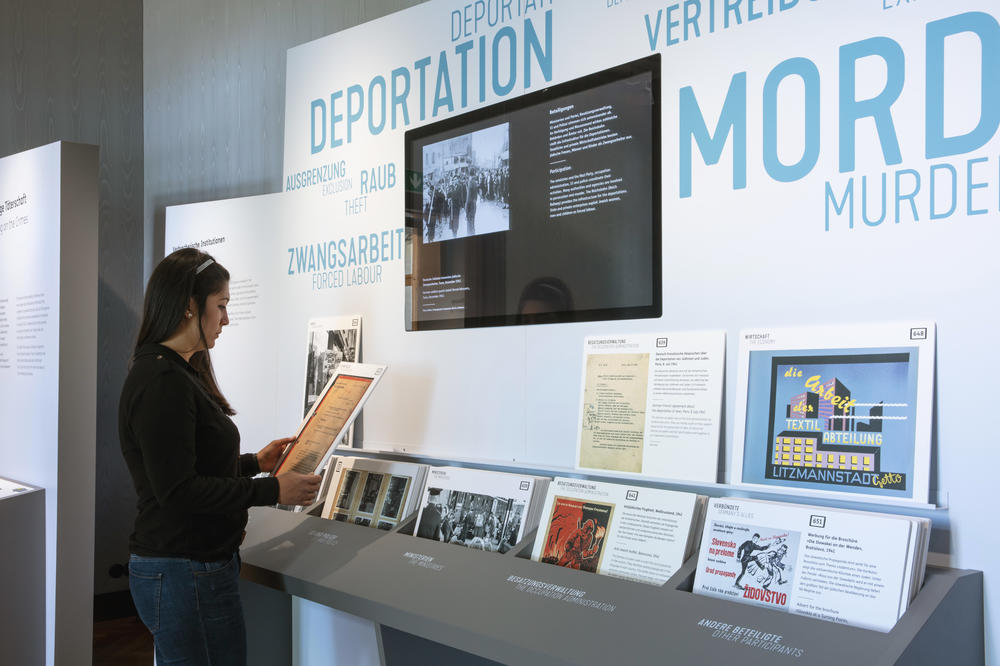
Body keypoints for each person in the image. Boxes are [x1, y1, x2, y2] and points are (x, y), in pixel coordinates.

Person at [119, 248, 321, 665]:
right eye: (222, 306)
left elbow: (189, 465)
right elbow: (179, 490)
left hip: (190, 569)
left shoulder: (175, 372)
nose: (226, 320)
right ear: (191, 306)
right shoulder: (162, 380)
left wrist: (254, 463)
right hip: (183, 570)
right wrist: (271, 489)